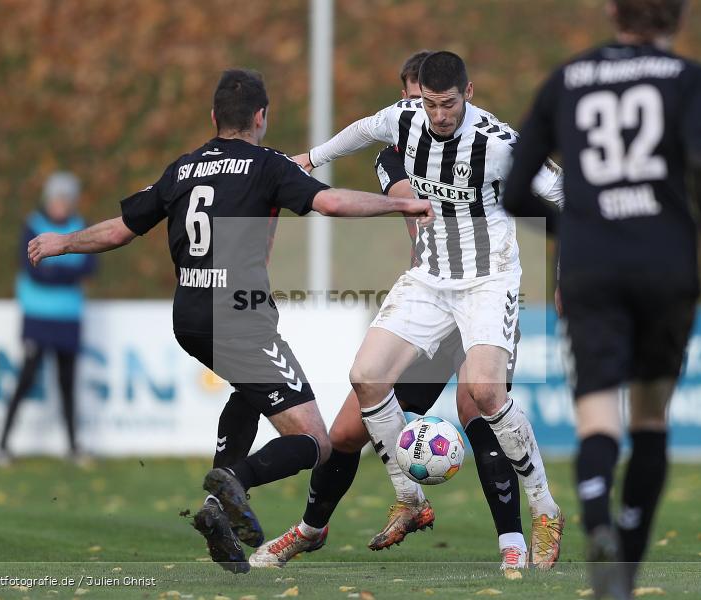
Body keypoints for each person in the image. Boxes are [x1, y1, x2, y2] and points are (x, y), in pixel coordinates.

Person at [27, 69, 432, 574]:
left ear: (214, 117)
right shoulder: (267, 166)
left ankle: (218, 508)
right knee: (314, 442)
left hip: (190, 316)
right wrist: (403, 203)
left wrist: (62, 242)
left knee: (249, 395)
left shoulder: (182, 169)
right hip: (238, 317)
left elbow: (122, 229)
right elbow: (329, 202)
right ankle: (230, 483)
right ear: (262, 117)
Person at [252, 51, 533, 574]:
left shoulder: (476, 146)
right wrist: (313, 162)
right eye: (412, 100)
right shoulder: (393, 156)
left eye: (426, 101)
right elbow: (409, 204)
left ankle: (513, 541)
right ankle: (311, 530)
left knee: (479, 407)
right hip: (427, 304)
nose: (421, 111)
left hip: (479, 295)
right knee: (343, 435)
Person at [502, 0, 701, 596]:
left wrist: (578, 229)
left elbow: (513, 187)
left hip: (592, 267)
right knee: (653, 417)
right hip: (665, 261)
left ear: (614, 12)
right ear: (677, 18)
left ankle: (597, 516)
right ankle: (625, 566)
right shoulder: (692, 79)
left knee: (598, 415)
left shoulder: (567, 79)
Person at [0, 172, 96, 466]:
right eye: (56, 198)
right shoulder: (33, 225)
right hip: (38, 316)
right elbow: (34, 269)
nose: (60, 205)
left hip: (68, 317)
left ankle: (72, 446)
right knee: (26, 379)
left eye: (66, 199)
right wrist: (65, 271)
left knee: (68, 383)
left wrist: (54, 271)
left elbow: (88, 267)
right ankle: (2, 444)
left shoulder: (80, 227)